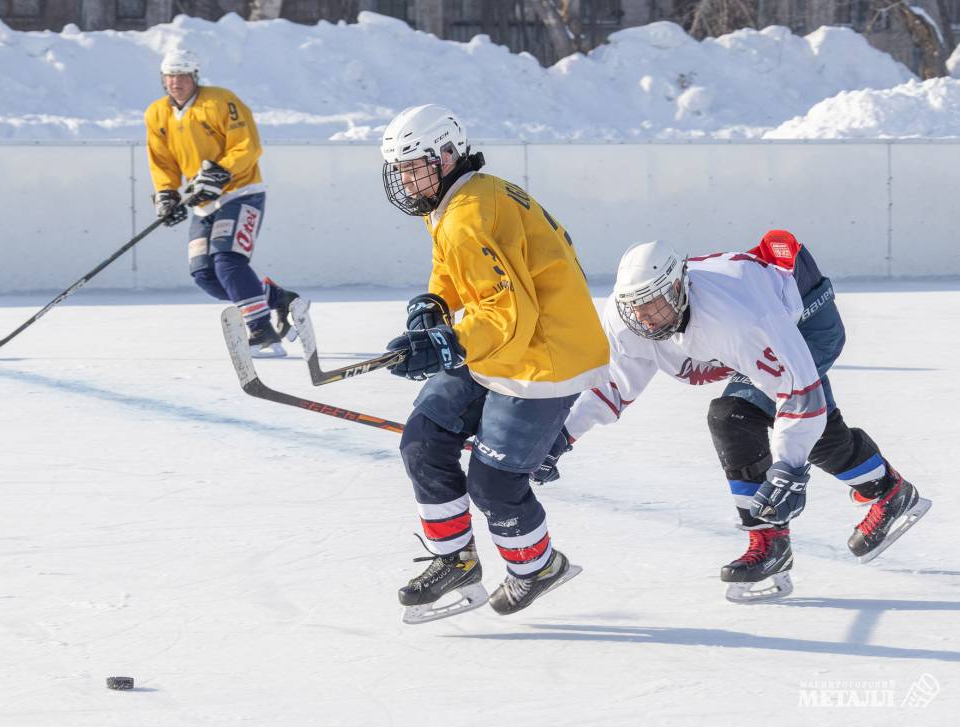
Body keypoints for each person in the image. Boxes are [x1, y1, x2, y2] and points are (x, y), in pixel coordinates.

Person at [534, 232, 931, 603]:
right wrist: (560, 436)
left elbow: (799, 393)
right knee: (775, 422)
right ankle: (882, 492)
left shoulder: (738, 321)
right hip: (758, 308)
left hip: (805, 315)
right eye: (636, 307)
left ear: (680, 287)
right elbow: (614, 386)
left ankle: (777, 539)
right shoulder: (628, 322)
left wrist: (789, 467)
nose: (647, 318)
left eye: (654, 303)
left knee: (740, 417)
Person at [378, 105, 612, 623]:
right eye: (399, 169)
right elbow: (457, 269)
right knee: (422, 442)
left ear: (446, 156)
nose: (405, 180)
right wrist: (436, 303)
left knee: (495, 485)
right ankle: (455, 560)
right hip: (502, 344)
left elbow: (510, 312)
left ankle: (538, 567)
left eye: (413, 166)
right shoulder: (454, 199)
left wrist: (447, 344)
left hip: (546, 359)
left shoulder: (467, 214)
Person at [144, 49, 299, 357]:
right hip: (203, 202)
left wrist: (221, 171)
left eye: (182, 75)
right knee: (206, 276)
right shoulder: (156, 113)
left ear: (194, 76)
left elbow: (247, 145)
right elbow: (161, 161)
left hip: (241, 192)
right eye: (170, 76)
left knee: (227, 260)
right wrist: (166, 193)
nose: (176, 82)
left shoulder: (220, 101)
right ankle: (277, 298)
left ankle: (262, 331)